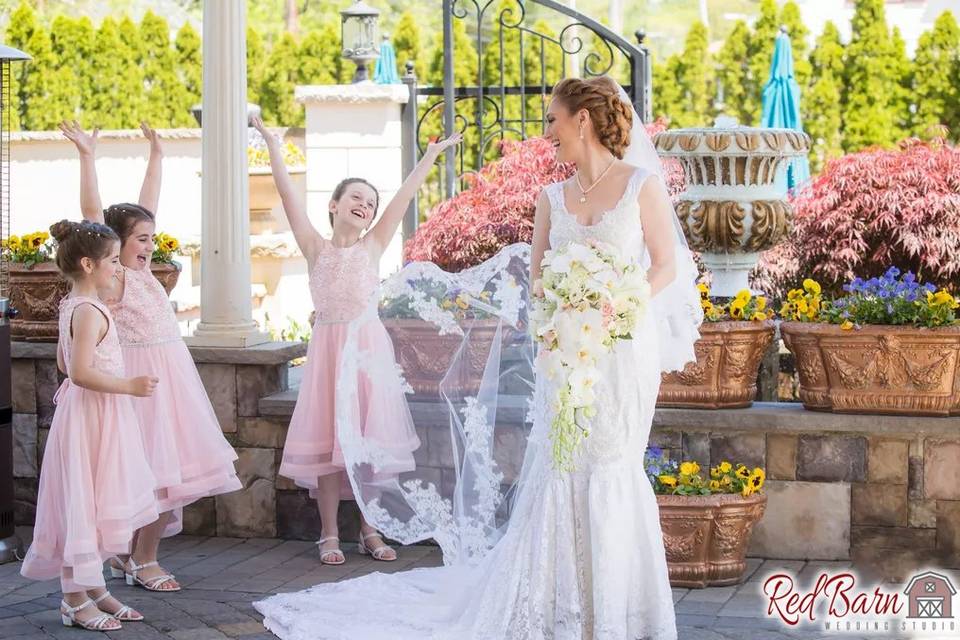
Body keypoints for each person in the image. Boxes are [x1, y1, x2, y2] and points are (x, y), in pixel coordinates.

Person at [254, 75, 702, 639]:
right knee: (561, 468)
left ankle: (618, 611)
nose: (548, 132)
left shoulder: (640, 186)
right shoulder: (551, 199)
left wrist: (614, 307)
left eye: (552, 120)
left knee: (610, 468)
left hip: (618, 353)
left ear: (581, 120)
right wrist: (558, 324)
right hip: (563, 354)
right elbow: (539, 284)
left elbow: (665, 266)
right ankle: (554, 606)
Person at [250, 116, 462, 564]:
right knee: (331, 444)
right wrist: (273, 144)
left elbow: (403, 200)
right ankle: (328, 533)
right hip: (329, 355)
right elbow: (287, 196)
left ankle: (370, 528)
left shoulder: (373, 246)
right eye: (356, 197)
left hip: (367, 355)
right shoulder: (314, 248)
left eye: (370, 201)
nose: (364, 205)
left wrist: (427, 158)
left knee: (367, 444)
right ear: (334, 205)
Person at [59, 121, 241, 592]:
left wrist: (157, 154)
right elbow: (92, 214)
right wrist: (86, 156)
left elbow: (148, 201)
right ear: (115, 247)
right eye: (140, 240)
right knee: (146, 471)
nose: (149, 246)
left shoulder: (143, 273)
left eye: (151, 238)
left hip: (170, 379)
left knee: (173, 471)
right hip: (136, 383)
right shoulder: (112, 277)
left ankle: (141, 555)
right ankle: (137, 557)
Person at [20, 220, 160, 632]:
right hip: (90, 417)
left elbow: (63, 363)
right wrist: (128, 385)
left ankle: (94, 586)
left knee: (98, 501)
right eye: (113, 261)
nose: (118, 268)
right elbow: (78, 373)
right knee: (82, 504)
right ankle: (73, 598)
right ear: (88, 263)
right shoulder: (87, 310)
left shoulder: (73, 305)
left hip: (97, 416)